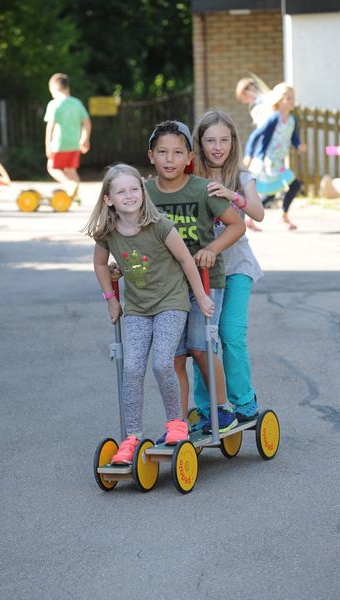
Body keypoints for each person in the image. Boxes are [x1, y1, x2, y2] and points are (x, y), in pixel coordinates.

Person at [83, 163, 214, 464]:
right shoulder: (107, 232)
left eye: (134, 189)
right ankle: (131, 437)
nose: (129, 195)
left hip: (171, 301)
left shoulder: (159, 225)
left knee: (162, 362)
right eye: (121, 191)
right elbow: (101, 265)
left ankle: (176, 423)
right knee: (131, 369)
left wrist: (202, 296)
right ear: (108, 199)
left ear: (142, 192)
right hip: (138, 308)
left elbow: (185, 260)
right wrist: (110, 299)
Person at [144, 120, 246, 436]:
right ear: (151, 156)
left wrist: (212, 248)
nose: (170, 159)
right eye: (162, 152)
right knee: (174, 357)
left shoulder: (202, 189)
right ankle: (177, 423)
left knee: (201, 347)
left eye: (177, 152)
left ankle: (220, 409)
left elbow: (236, 225)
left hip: (203, 280)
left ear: (190, 157)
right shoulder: (144, 193)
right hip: (166, 286)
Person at [192, 109, 264, 423]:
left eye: (224, 139)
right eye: (210, 140)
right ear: (200, 143)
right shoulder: (192, 178)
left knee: (230, 334)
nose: (217, 146)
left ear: (233, 143)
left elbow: (258, 214)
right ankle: (209, 407)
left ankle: (244, 401)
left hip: (236, 268)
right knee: (200, 338)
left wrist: (232, 196)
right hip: (202, 271)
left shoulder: (243, 178)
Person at [244, 82, 307, 230]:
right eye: (288, 98)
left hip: (278, 162)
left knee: (292, 186)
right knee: (272, 192)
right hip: (267, 161)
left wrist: (299, 145)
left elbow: (294, 137)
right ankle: (251, 217)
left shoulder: (292, 120)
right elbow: (255, 136)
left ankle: (281, 215)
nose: (292, 101)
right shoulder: (274, 118)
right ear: (279, 101)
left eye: (293, 98)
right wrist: (249, 154)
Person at [44, 73, 92, 200]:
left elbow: (50, 126)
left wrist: (48, 145)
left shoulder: (54, 104)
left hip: (59, 144)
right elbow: (87, 122)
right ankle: (75, 198)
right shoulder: (77, 103)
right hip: (74, 143)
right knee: (71, 170)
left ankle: (69, 185)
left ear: (54, 89)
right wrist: (85, 138)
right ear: (67, 87)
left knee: (52, 168)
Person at [236, 73, 272, 231]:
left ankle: (251, 215)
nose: (245, 101)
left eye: (244, 97)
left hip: (263, 149)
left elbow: (260, 132)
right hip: (266, 148)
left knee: (256, 182)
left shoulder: (260, 104)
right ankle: (251, 216)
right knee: (257, 182)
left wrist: (250, 152)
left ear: (248, 91)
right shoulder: (265, 101)